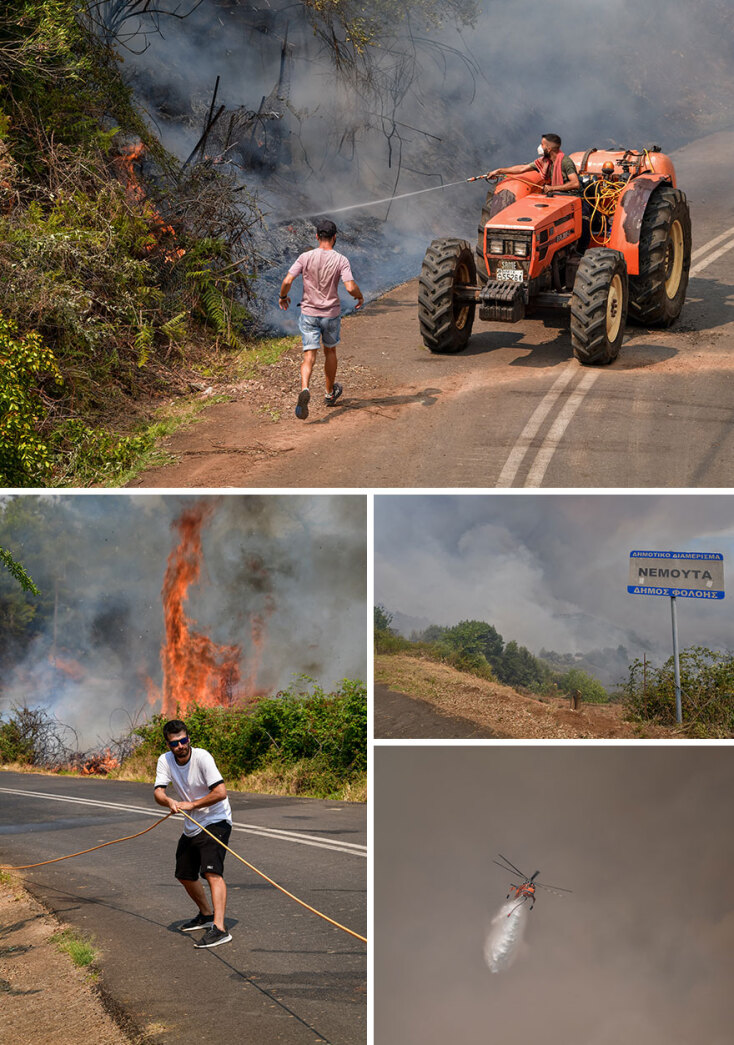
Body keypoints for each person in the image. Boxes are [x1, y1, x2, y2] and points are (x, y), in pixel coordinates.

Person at [154, 719, 233, 949]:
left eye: (183, 740)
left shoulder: (202, 757)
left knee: (211, 872)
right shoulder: (165, 760)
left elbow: (220, 792)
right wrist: (169, 801)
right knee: (184, 874)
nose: (180, 746)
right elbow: (158, 792)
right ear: (168, 745)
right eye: (174, 743)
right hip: (193, 823)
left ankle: (219, 928)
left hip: (216, 819)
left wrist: (192, 805)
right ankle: (206, 915)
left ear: (189, 738)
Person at [278, 218, 364, 420]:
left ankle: (305, 388)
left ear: (317, 236)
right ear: (334, 238)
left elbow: (288, 280)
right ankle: (329, 393)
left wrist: (283, 296)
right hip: (330, 314)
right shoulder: (341, 260)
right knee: (330, 351)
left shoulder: (305, 257)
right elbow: (350, 286)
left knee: (309, 355)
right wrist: (359, 297)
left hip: (309, 313)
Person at [487, 133, 581, 195]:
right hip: (555, 195)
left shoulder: (565, 162)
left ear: (549, 149)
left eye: (542, 145)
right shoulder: (545, 161)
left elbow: (575, 183)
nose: (540, 147)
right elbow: (522, 168)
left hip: (569, 196)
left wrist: (552, 188)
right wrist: (499, 171)